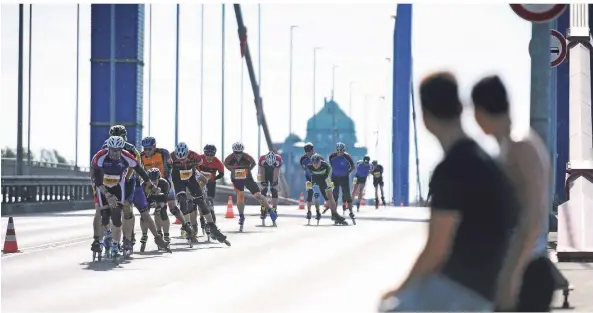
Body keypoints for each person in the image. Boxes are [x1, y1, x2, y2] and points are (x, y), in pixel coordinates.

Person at [378, 71, 519, 311]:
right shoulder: (487, 162)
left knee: (390, 308)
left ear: (425, 116)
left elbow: (437, 248)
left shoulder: (451, 169)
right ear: (460, 107)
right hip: (486, 289)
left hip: (459, 290)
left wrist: (402, 289)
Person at [471, 75, 554, 311]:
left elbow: (533, 215)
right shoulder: (511, 145)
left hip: (526, 270)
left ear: (480, 112)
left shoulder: (521, 146)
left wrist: (511, 276)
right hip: (516, 266)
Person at [91, 136, 170, 260]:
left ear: (122, 149)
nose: (115, 153)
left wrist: (151, 185)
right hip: (103, 186)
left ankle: (117, 244)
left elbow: (141, 171)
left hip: (119, 185)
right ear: (108, 148)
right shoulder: (100, 156)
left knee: (118, 215)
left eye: (118, 150)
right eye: (112, 150)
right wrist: (106, 194)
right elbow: (96, 178)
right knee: (103, 215)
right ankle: (102, 236)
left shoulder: (127, 155)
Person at [171, 142, 229, 245]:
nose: (182, 160)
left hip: (191, 175)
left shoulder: (194, 155)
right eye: (179, 159)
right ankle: (187, 226)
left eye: (184, 158)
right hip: (178, 177)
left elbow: (200, 167)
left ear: (187, 153)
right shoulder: (171, 156)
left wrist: (200, 187)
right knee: (183, 201)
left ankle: (212, 226)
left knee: (201, 202)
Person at [140, 136, 192, 246]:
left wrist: (166, 185)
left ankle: (185, 225)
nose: (147, 151)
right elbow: (141, 170)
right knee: (157, 209)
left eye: (149, 149)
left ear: (154, 147)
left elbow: (170, 169)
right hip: (151, 183)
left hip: (165, 181)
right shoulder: (142, 156)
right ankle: (159, 234)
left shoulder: (163, 153)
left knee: (172, 207)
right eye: (145, 149)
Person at [224, 142, 272, 232]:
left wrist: (247, 170)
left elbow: (253, 163)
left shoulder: (247, 156)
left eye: (240, 153)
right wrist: (232, 170)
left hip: (247, 178)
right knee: (240, 195)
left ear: (242, 151)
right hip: (236, 179)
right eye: (236, 153)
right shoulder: (229, 158)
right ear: (233, 151)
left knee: (258, 195)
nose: (238, 155)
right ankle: (241, 216)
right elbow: (225, 164)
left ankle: (270, 210)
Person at [306, 154, 348, 225]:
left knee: (330, 196)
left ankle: (334, 214)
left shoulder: (325, 166)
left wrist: (327, 183)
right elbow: (308, 177)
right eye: (314, 163)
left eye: (317, 163)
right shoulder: (309, 166)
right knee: (310, 190)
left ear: (320, 161)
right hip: (315, 180)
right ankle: (309, 211)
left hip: (324, 180)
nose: (315, 165)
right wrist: (309, 184)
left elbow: (327, 175)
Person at [141, 168, 172, 252]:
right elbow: (142, 201)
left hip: (160, 198)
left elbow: (164, 200)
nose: (154, 182)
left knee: (162, 211)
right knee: (144, 214)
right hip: (148, 199)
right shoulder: (143, 185)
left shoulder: (165, 183)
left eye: (155, 180)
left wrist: (159, 207)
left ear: (159, 178)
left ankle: (165, 235)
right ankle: (144, 235)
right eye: (151, 180)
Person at [198, 144, 225, 231]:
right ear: (204, 153)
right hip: (199, 182)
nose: (209, 157)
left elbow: (221, 174)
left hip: (211, 183)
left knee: (209, 202)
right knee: (200, 201)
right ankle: (201, 217)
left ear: (214, 154)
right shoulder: (199, 159)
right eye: (207, 154)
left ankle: (212, 224)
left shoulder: (218, 162)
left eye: (211, 155)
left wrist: (214, 178)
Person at [328, 142, 356, 223]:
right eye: (338, 151)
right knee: (335, 195)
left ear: (344, 150)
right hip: (335, 177)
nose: (340, 152)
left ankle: (351, 212)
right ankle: (334, 213)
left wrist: (348, 172)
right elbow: (332, 164)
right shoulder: (332, 156)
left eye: (341, 151)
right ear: (336, 150)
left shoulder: (347, 157)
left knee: (347, 195)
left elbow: (353, 166)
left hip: (344, 177)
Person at [257, 151, 283, 226]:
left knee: (274, 190)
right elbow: (262, 171)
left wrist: (274, 183)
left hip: (273, 172)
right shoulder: (262, 159)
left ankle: (274, 208)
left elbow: (276, 172)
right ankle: (263, 208)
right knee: (263, 190)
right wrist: (263, 182)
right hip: (264, 172)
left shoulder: (278, 159)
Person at [299, 142, 322, 223]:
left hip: (316, 178)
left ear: (313, 150)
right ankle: (309, 212)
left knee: (316, 195)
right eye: (307, 152)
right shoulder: (303, 158)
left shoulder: (318, 157)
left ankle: (318, 212)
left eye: (310, 152)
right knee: (309, 194)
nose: (308, 153)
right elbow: (302, 166)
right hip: (308, 178)